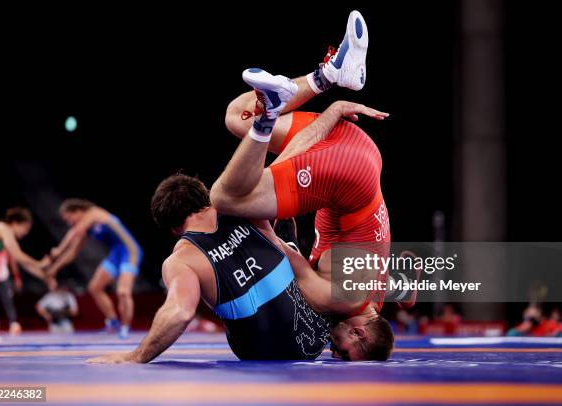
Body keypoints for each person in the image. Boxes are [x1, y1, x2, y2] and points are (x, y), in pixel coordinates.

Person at [210, 10, 394, 360]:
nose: (331, 347)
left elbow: (407, 281)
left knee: (237, 117)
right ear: (358, 333)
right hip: (346, 173)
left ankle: (328, 74)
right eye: (341, 351)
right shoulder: (338, 298)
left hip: (361, 147)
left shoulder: (377, 297)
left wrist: (331, 112)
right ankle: (272, 112)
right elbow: (275, 247)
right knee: (227, 198)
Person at [89, 174, 332, 363]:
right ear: (205, 198)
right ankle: (285, 242)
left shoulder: (180, 260)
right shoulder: (243, 207)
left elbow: (180, 313)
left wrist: (136, 356)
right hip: (314, 337)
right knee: (278, 239)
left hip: (257, 352)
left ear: (173, 229)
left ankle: (283, 242)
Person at [46, 199, 142, 339]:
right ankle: (112, 322)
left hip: (130, 251)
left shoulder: (94, 212)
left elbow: (75, 231)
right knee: (95, 287)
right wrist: (54, 268)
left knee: (123, 292)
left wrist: (58, 250)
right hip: (115, 254)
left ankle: (125, 328)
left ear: (78, 211)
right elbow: (72, 253)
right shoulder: (86, 228)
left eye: (69, 218)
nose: (69, 222)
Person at [0, 207, 49, 341]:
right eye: (25, 228)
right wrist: (40, 263)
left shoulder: (3, 236)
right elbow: (19, 255)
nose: (25, 233)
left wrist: (44, 276)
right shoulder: (3, 229)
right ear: (16, 223)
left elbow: (21, 263)